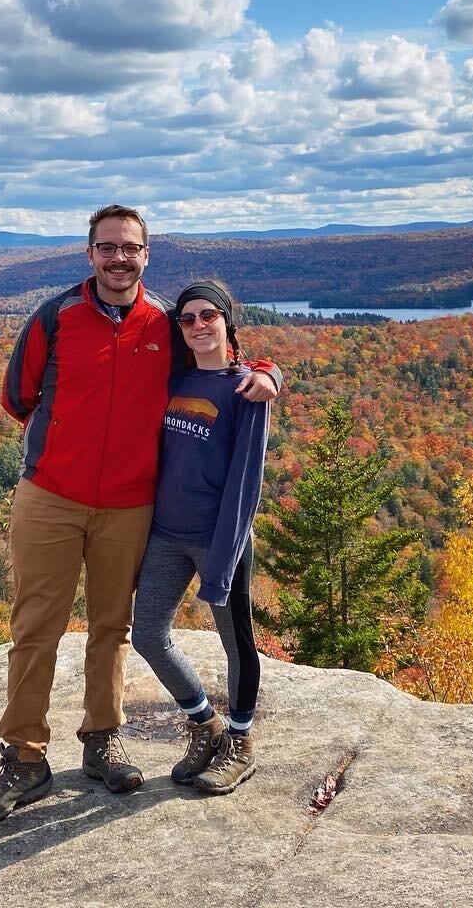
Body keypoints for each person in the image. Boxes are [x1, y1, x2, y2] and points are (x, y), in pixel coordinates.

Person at [0, 206, 280, 827]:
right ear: (90, 254)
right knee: (36, 627)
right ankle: (24, 758)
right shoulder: (56, 318)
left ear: (146, 255)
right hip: (52, 496)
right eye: (107, 247)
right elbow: (15, 398)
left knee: (112, 626)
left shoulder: (163, 324)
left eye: (130, 248)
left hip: (132, 504)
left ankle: (102, 739)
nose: (118, 257)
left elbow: (220, 366)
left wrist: (270, 373)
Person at [130, 281, 268, 795]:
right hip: (166, 533)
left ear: (227, 321)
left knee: (237, 643)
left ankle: (240, 743)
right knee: (147, 634)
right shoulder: (176, 379)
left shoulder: (246, 390)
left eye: (207, 315)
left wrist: (226, 554)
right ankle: (205, 722)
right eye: (186, 319)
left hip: (218, 536)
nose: (197, 326)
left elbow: (247, 478)